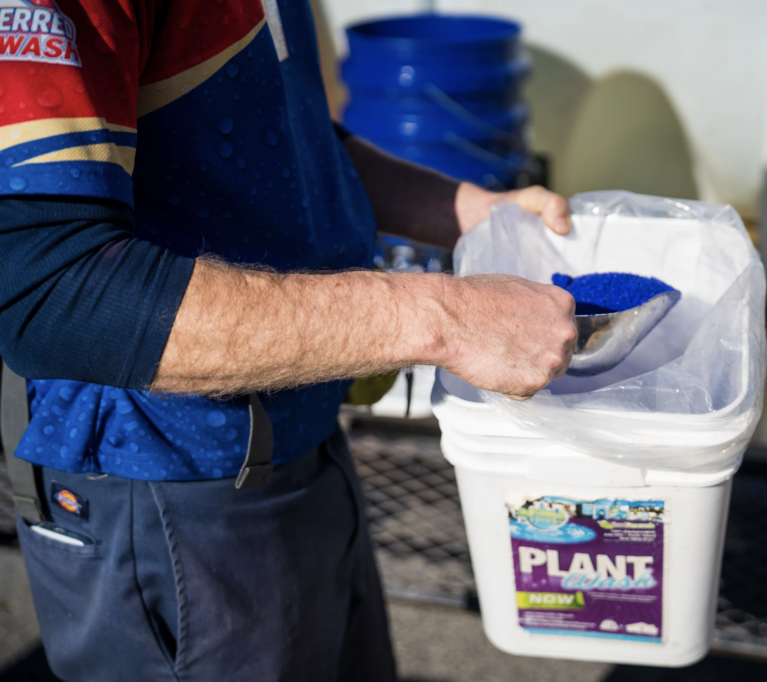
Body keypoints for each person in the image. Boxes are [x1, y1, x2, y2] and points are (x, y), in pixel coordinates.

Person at [0, 0, 577, 680]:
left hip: (302, 428)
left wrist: (471, 214)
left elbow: (285, 137)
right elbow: (49, 289)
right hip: (166, 486)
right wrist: (442, 318)